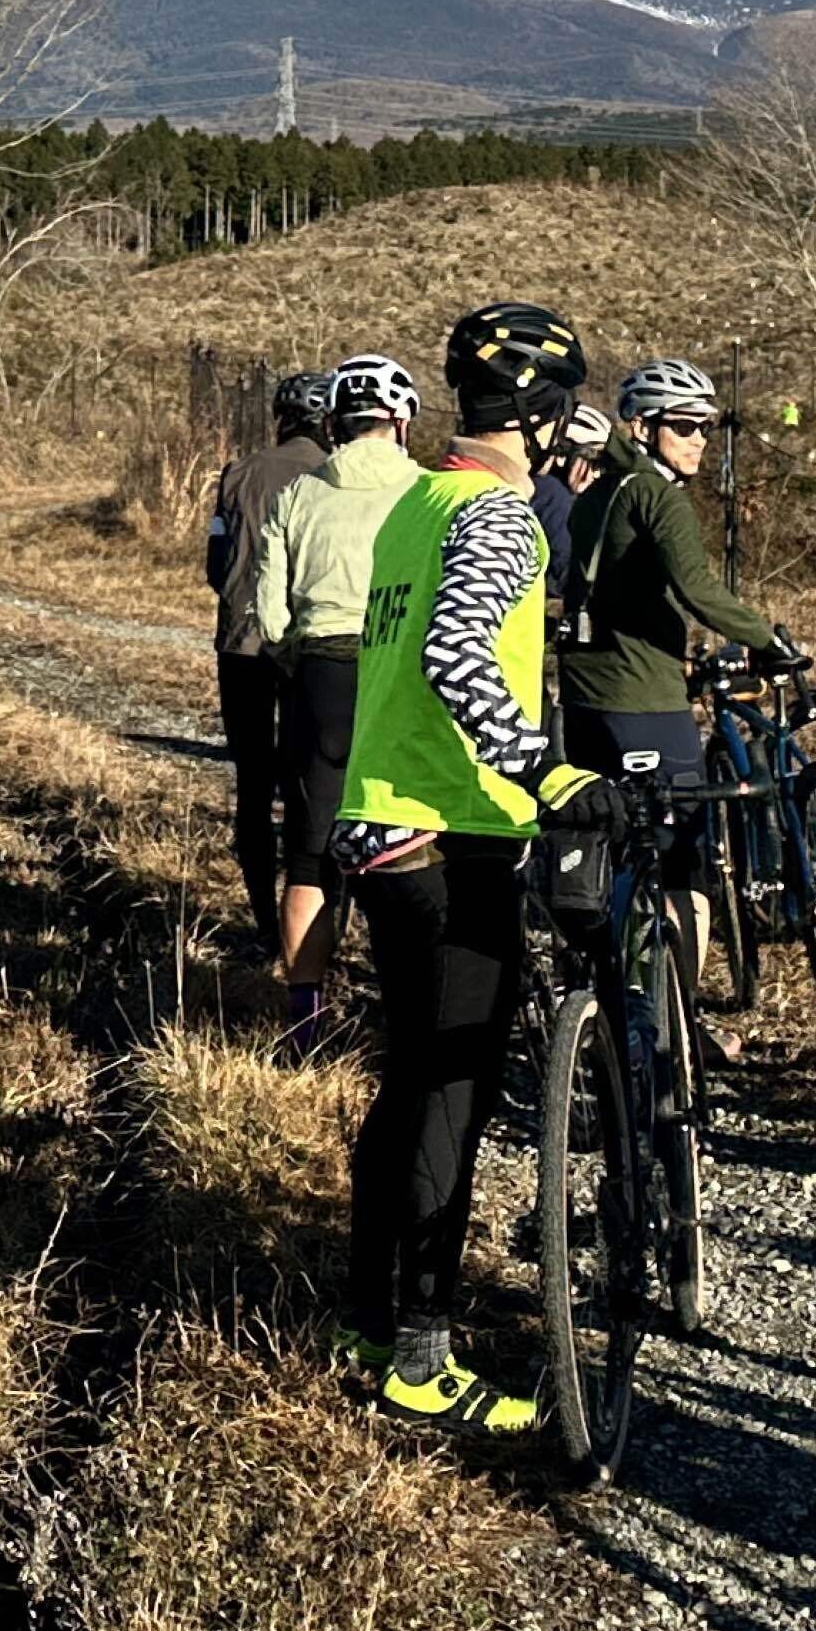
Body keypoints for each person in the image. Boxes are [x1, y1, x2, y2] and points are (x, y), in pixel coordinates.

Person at [330, 303, 620, 1433]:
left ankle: (369, 1312)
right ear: (546, 420)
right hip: (453, 834)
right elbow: (456, 654)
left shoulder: (417, 501)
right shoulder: (501, 514)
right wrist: (543, 771)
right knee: (450, 1094)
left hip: (383, 823)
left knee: (409, 1084)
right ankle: (422, 1359)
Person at [554, 358, 803, 1032]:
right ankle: (674, 1031)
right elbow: (697, 584)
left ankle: (595, 1007)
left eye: (709, 425)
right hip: (644, 706)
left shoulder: (598, 493)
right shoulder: (655, 495)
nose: (700, 438)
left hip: (585, 701)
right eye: (686, 424)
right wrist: (767, 639)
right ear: (644, 426)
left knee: (610, 856)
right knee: (682, 867)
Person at [245, 355, 428, 1045]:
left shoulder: (300, 494)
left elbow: (270, 614)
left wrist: (302, 662)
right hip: (403, 679)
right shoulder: (428, 491)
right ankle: (408, 1008)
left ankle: (305, 1022)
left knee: (311, 853)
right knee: (412, 842)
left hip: (322, 678)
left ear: (333, 424)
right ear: (401, 420)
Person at [207, 371, 338, 952]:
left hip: (242, 644)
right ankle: (316, 921)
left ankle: (263, 919)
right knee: (315, 786)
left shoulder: (237, 474)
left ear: (278, 419)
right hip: (310, 648)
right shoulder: (334, 477)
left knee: (253, 784)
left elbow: (216, 563)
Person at [533, 398, 613, 549]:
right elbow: (564, 564)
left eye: (602, 466)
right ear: (563, 456)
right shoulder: (554, 497)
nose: (595, 474)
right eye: (592, 462)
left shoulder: (538, 488)